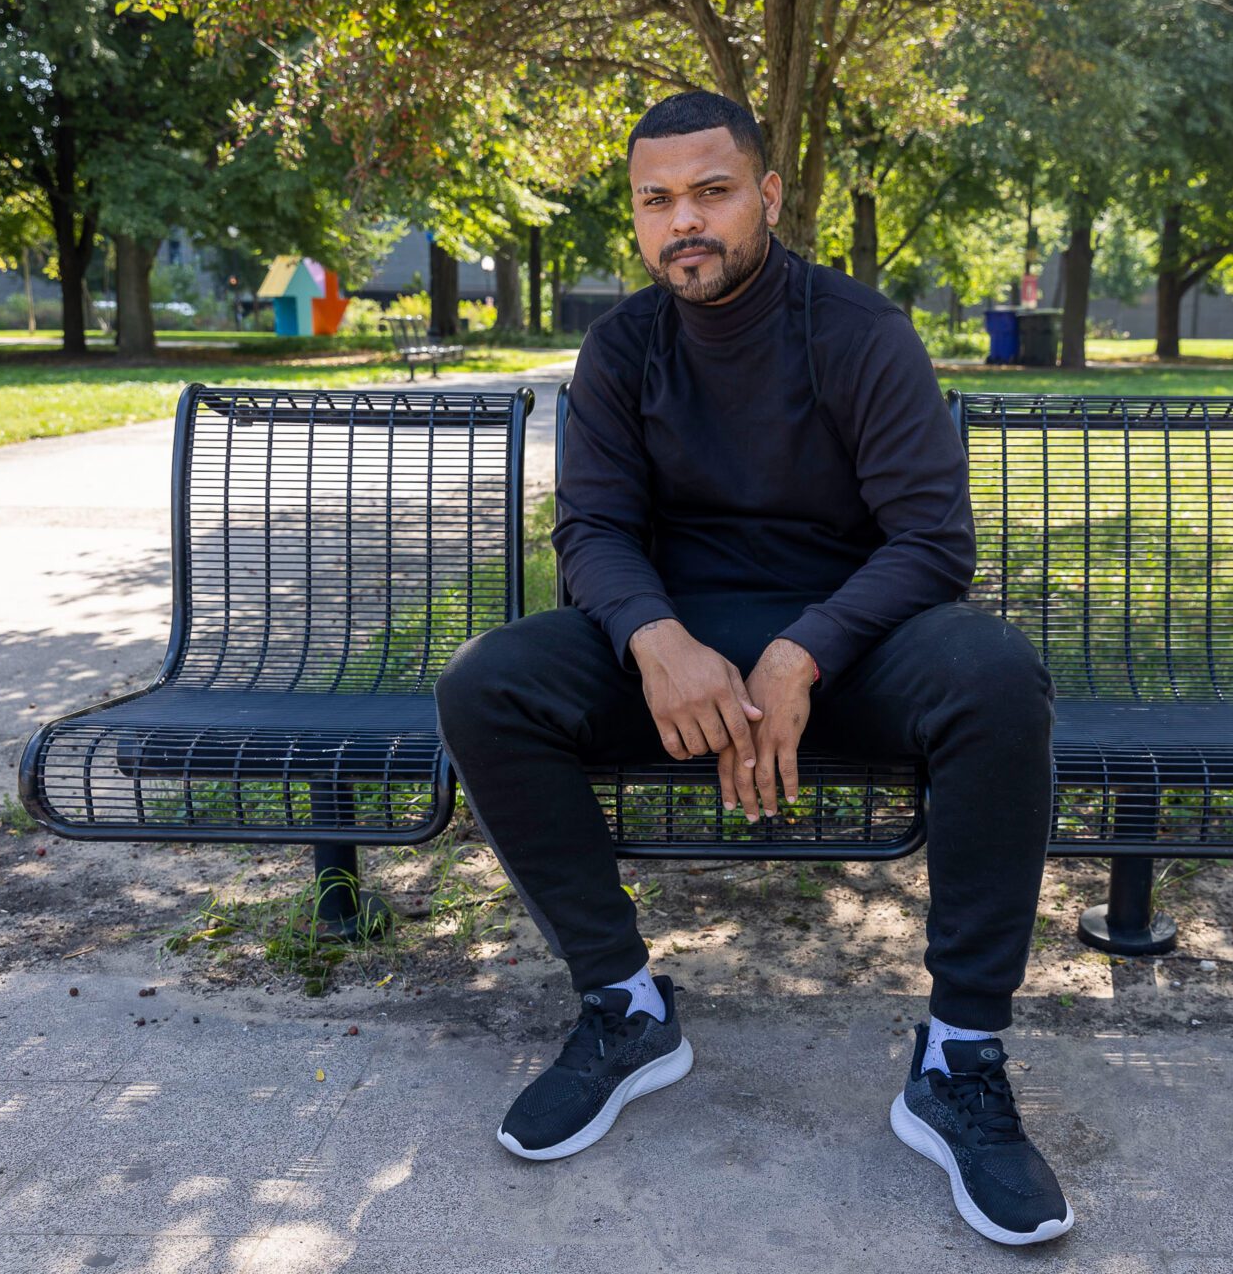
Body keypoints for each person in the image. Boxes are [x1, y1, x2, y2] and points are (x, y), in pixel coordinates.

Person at [434, 91, 1071, 1246]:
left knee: (993, 673)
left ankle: (959, 1058)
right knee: (488, 681)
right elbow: (593, 530)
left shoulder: (859, 331)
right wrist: (657, 638)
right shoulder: (622, 348)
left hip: (851, 649)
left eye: (712, 191)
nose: (685, 220)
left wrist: (801, 650)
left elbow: (933, 539)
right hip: (677, 658)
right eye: (657, 199)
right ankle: (624, 1006)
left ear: (767, 196)